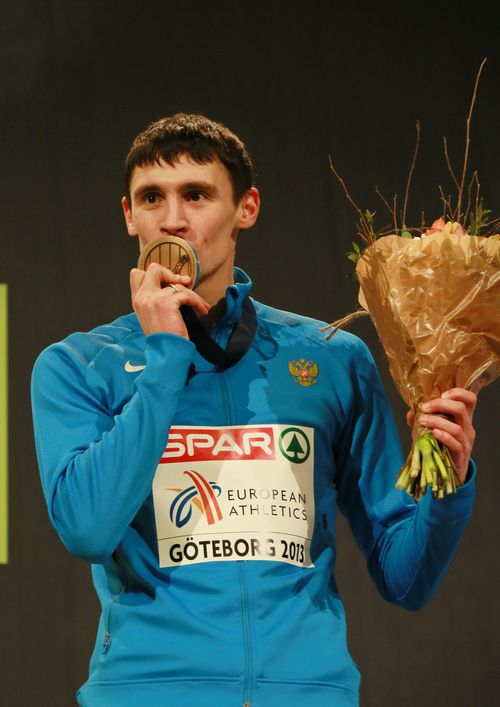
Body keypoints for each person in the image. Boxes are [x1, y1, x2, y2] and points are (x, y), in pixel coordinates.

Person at [31, 113, 477, 707]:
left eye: (197, 195)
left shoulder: (332, 358)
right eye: (151, 198)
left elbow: (405, 578)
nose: (172, 218)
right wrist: (164, 361)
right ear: (128, 216)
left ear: (247, 208)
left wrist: (448, 480)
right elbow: (87, 530)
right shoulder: (77, 364)